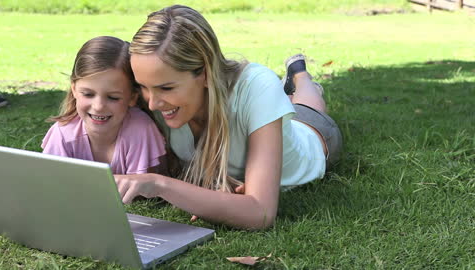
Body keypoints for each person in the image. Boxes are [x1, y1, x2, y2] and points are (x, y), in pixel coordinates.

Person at [115, 5, 342, 229]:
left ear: (204, 73)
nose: (152, 103)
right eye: (143, 86)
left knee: (307, 106)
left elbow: (259, 213)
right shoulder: (159, 100)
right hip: (266, 117)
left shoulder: (257, 85)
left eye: (166, 88)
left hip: (312, 135)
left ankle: (300, 75)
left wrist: (159, 185)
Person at [41, 36, 166, 175]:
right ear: (74, 89)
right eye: (88, 94)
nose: (99, 106)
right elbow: (51, 183)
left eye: (113, 97)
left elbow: (141, 191)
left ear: (132, 97)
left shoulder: (141, 129)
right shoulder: (63, 133)